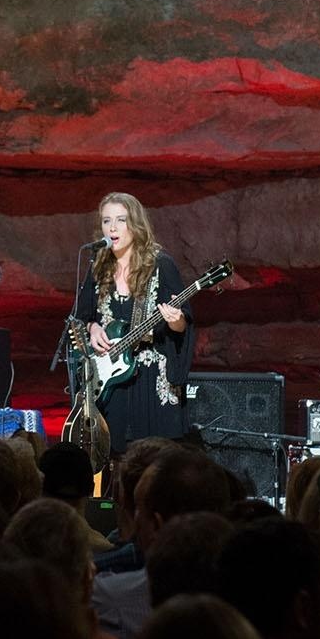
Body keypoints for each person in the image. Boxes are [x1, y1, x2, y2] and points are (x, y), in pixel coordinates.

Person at [74, 192, 193, 456]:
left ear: (136, 225)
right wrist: (93, 329)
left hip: (149, 381)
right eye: (106, 221)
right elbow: (83, 316)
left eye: (120, 220)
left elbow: (182, 325)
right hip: (110, 379)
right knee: (110, 458)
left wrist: (176, 321)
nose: (112, 228)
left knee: (151, 461)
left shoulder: (161, 265)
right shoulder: (99, 266)